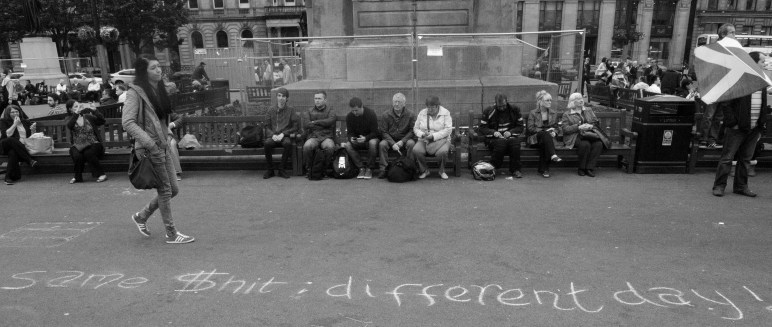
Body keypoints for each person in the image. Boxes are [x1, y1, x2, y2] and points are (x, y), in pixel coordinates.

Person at [122, 54, 194, 244]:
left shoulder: (158, 89)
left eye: (159, 66)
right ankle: (171, 233)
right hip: (150, 148)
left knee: (173, 189)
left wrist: (167, 136)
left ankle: (141, 216)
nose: (159, 70)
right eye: (153, 68)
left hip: (162, 145)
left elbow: (162, 119)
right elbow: (128, 122)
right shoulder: (135, 92)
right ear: (143, 72)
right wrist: (150, 143)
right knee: (165, 190)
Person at [711, 24, 769, 197]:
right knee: (727, 158)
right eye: (762, 61)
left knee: (745, 159)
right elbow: (727, 102)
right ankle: (719, 186)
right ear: (753, 62)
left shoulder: (761, 80)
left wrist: (761, 124)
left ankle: (741, 186)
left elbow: (763, 103)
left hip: (754, 126)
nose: (765, 64)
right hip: (737, 126)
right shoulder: (740, 77)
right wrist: (732, 122)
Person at [478, 93, 524, 178]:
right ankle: (494, 167)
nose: (502, 108)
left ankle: (515, 169)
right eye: (499, 106)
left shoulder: (514, 110)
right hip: (494, 139)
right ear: (495, 103)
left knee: (515, 143)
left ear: (507, 102)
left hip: (510, 137)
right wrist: (493, 132)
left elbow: (520, 127)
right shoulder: (489, 111)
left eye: (504, 106)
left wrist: (511, 132)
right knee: (501, 143)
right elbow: (482, 128)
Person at [561, 93, 604, 177]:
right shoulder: (567, 114)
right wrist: (578, 127)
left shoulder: (588, 110)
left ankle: (589, 168)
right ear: (573, 102)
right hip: (574, 136)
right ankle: (581, 168)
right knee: (585, 144)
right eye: (578, 99)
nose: (581, 100)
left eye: (581, 98)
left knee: (598, 144)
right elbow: (565, 129)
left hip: (590, 134)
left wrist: (591, 126)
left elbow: (596, 123)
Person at [65, 100, 107, 184]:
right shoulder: (69, 119)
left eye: (78, 106)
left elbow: (102, 121)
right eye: (75, 107)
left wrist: (95, 110)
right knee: (77, 155)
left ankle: (101, 174)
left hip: (93, 143)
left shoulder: (88, 116)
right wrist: (76, 114)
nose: (78, 108)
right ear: (70, 109)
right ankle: (78, 177)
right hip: (78, 145)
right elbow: (70, 126)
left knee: (88, 153)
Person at [412, 95, 453, 180]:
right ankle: (424, 170)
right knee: (416, 150)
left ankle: (442, 171)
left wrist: (433, 136)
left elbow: (448, 130)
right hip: (425, 139)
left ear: (437, 106)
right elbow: (415, 128)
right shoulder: (422, 113)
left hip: (442, 139)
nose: (430, 110)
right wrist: (422, 134)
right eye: (428, 107)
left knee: (443, 152)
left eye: (432, 108)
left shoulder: (445, 113)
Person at [377, 92, 416, 179]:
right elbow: (383, 132)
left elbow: (412, 131)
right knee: (382, 144)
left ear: (404, 104)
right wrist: (392, 143)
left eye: (399, 102)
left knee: (411, 144)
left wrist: (402, 141)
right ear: (392, 102)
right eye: (395, 101)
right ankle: (383, 169)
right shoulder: (385, 115)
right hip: (390, 139)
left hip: (405, 139)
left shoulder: (411, 115)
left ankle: (410, 168)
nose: (396, 104)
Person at [263, 87, 297, 179]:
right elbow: (266, 126)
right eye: (279, 96)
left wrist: (284, 134)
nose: (281, 98)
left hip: (284, 135)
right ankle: (270, 170)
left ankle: (282, 169)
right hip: (273, 135)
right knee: (267, 144)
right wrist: (272, 135)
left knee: (287, 143)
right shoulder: (271, 110)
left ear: (287, 99)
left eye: (283, 96)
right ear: (276, 97)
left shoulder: (291, 110)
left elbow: (295, 126)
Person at [526, 90, 562, 178]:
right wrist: (545, 131)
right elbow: (530, 129)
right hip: (534, 139)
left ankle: (543, 169)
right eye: (547, 100)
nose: (550, 102)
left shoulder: (553, 113)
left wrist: (554, 132)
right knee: (545, 135)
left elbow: (557, 127)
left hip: (547, 140)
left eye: (550, 100)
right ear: (540, 101)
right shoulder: (533, 113)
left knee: (545, 142)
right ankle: (552, 155)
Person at [343, 97, 379, 179]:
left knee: (372, 143)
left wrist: (366, 138)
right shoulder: (349, 116)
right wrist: (351, 138)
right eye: (353, 110)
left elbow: (375, 132)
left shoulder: (371, 113)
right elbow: (349, 133)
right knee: (348, 145)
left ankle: (369, 168)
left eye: (356, 110)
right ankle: (361, 168)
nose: (354, 113)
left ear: (361, 106)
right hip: (357, 141)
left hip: (370, 139)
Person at [0, 105, 38, 185]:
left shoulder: (24, 122)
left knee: (13, 152)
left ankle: (8, 178)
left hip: (19, 148)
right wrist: (15, 124)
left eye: (16, 111)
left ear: (19, 112)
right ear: (8, 113)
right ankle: (29, 160)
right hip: (5, 145)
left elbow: (29, 137)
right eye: (12, 112)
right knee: (11, 140)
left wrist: (33, 130)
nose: (15, 113)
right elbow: (7, 134)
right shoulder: (4, 121)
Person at [302, 91, 336, 175]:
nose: (317, 100)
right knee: (307, 146)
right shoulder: (309, 111)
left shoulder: (330, 110)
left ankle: (324, 170)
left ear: (325, 100)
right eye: (315, 98)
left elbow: (330, 121)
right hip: (313, 136)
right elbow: (306, 124)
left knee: (330, 147)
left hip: (327, 137)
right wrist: (323, 124)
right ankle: (310, 169)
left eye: (319, 98)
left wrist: (314, 122)